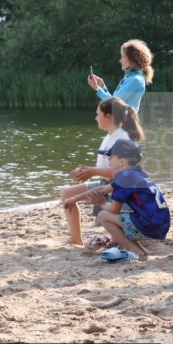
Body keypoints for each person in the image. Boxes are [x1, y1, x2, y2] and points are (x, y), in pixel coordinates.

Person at [63, 140, 171, 262]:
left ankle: (134, 251)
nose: (108, 159)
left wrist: (101, 203)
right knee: (124, 216)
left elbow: (114, 209)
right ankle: (142, 251)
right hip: (161, 224)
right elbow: (103, 189)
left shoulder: (125, 177)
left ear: (122, 162)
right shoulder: (136, 173)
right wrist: (74, 199)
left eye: (111, 156)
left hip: (149, 226)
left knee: (103, 216)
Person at [60, 98, 145, 246]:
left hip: (122, 189)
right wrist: (84, 170)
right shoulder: (109, 136)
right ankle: (76, 238)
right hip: (106, 183)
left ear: (108, 116)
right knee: (67, 193)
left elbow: (122, 174)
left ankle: (126, 232)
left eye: (98, 114)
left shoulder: (122, 138)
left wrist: (92, 172)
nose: (95, 118)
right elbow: (105, 166)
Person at [87, 39, 154, 110]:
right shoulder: (131, 78)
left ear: (132, 60)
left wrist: (97, 88)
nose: (120, 60)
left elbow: (114, 103)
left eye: (123, 57)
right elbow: (114, 100)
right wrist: (102, 87)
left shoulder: (136, 80)